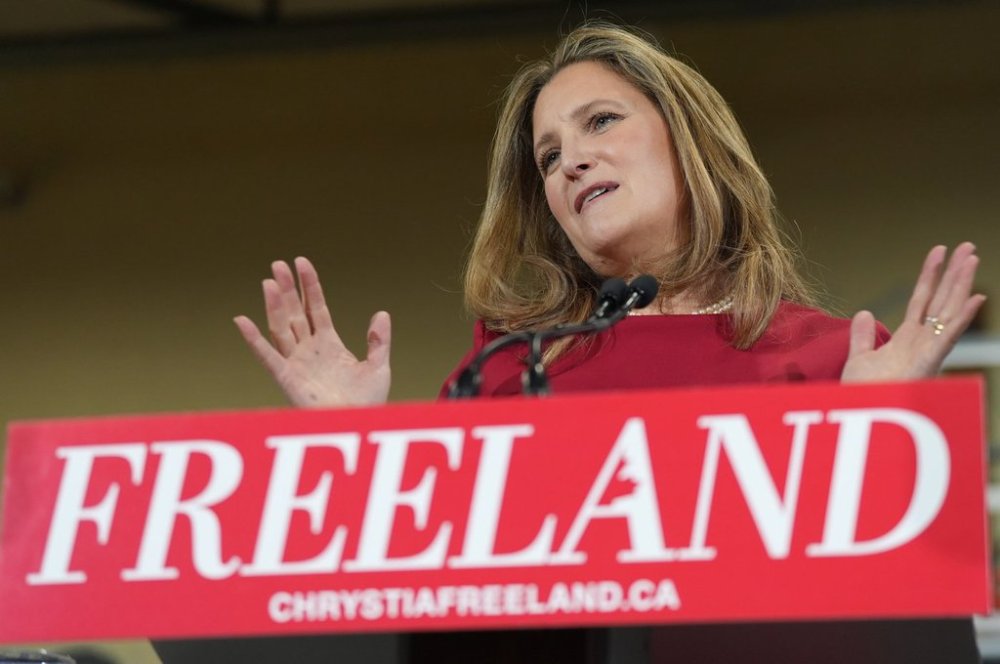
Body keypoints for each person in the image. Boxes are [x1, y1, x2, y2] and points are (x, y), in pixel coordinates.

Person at [231, 21, 984, 664]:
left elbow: (894, 621)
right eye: (549, 157)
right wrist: (356, 451)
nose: (572, 162)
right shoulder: (509, 372)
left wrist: (882, 440)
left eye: (600, 122)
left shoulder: (842, 360)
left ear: (688, 138)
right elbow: (436, 602)